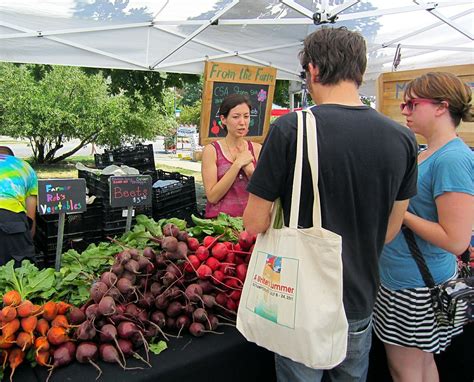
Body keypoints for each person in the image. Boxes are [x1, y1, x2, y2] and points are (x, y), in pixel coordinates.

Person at [243, 27, 419, 382]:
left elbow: (255, 222)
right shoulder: (403, 138)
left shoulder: (291, 129)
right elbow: (391, 229)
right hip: (359, 298)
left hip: (300, 301)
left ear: (312, 70)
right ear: (361, 71)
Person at [373, 72, 474, 382]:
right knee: (419, 365)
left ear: (441, 107)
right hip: (406, 278)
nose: (405, 111)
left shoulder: (452, 159)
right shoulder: (429, 151)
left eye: (412, 104)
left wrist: (399, 210)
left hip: (415, 285)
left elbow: (456, 240)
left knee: (406, 370)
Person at [202, 93, 262, 218]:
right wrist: (237, 165)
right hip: (219, 224)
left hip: (251, 223)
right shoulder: (212, 150)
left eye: (246, 116)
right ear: (223, 119)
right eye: (236, 117)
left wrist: (251, 172)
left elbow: (265, 192)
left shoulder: (257, 149)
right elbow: (212, 197)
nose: (242, 122)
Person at [0, 146, 38, 266]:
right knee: (19, 271)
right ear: (12, 157)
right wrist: (26, 241)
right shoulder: (24, 166)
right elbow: (30, 217)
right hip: (9, 217)